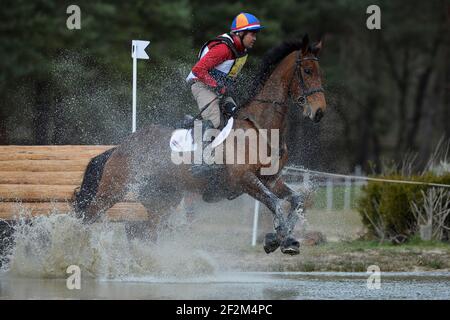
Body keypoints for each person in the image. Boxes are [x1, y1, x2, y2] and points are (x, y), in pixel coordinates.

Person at [186, 12, 264, 131]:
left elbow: (228, 77)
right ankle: (193, 140)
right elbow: (198, 70)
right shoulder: (223, 49)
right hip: (200, 84)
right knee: (215, 123)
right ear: (241, 33)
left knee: (238, 117)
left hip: (218, 89)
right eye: (252, 34)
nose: (255, 38)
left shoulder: (242, 51)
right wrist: (217, 86)